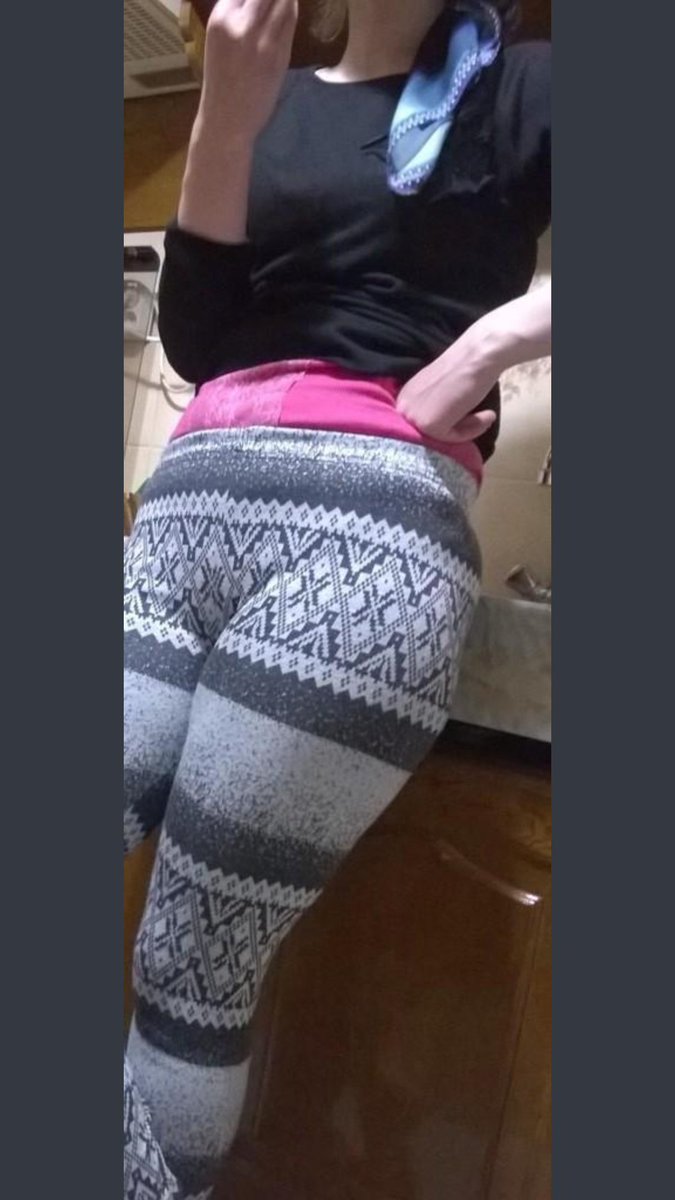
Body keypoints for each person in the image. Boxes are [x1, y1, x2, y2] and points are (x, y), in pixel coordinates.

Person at [123, 2, 551, 1197]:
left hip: (361, 533)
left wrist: (480, 351)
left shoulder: (519, 89)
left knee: (189, 969)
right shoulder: (264, 95)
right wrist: (224, 110)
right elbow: (200, 337)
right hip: (183, 511)